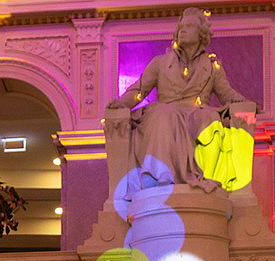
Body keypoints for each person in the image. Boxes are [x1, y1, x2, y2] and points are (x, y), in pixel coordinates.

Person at [107, 6, 258, 192]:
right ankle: (158, 175)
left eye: (189, 26)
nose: (182, 30)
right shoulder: (160, 63)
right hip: (166, 110)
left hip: (198, 112)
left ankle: (206, 180)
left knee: (210, 120)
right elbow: (139, 89)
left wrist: (244, 102)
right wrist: (122, 103)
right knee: (164, 114)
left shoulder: (212, 67)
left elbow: (226, 93)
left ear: (201, 33)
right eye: (181, 27)